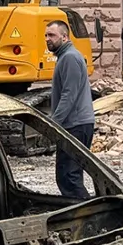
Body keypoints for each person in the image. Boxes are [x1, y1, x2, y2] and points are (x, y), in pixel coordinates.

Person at [45, 20, 94, 199]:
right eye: (46, 35)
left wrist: (53, 123)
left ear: (64, 37)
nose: (47, 39)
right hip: (76, 124)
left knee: (69, 177)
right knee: (69, 176)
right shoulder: (66, 57)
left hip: (76, 125)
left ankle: (86, 214)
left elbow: (69, 95)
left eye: (52, 35)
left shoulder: (70, 58)